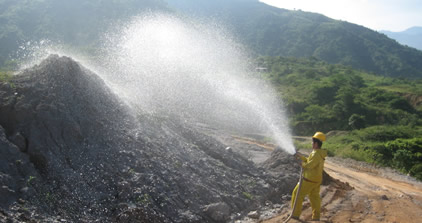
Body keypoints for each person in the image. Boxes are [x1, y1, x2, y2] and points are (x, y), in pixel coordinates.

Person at [290, 132, 327, 221]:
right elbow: (310, 160)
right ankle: (316, 217)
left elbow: (309, 165)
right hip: (317, 179)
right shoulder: (319, 153)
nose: (311, 144)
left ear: (316, 143)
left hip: (309, 179)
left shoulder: (315, 154)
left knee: (297, 193)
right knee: (314, 197)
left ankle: (295, 215)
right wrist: (301, 156)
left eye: (312, 142)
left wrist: (301, 163)